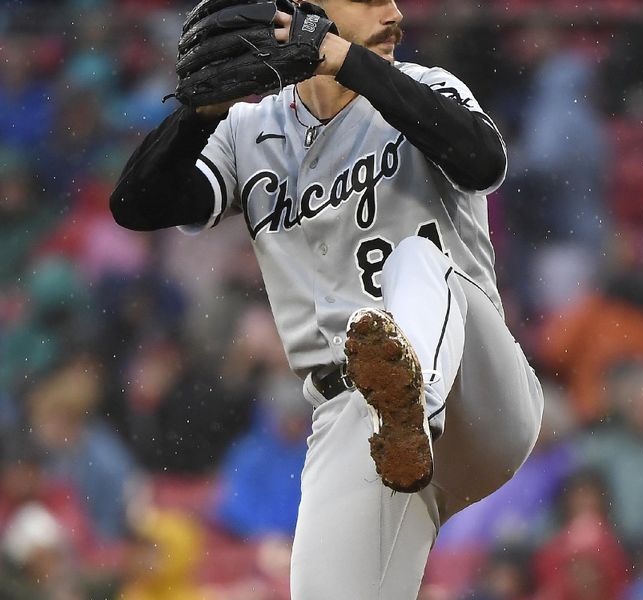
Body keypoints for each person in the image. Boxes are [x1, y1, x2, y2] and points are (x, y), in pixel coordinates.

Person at [109, 0, 544, 597]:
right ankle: (402, 420)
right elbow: (136, 205)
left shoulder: (422, 88)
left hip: (477, 385)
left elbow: (483, 158)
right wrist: (197, 113)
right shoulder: (248, 132)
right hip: (355, 416)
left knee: (415, 258)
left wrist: (342, 58)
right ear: (303, 10)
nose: (392, 12)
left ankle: (414, 403)